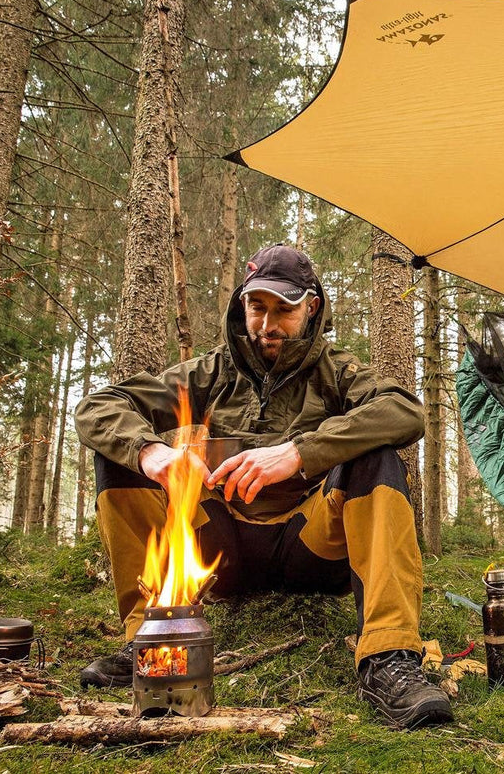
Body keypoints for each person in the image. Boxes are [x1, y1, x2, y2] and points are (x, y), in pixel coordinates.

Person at [73, 243, 452, 729]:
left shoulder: (337, 371)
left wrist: (298, 454)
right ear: (242, 304)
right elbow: (98, 408)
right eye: (257, 307)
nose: (268, 326)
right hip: (222, 547)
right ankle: (153, 636)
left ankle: (389, 656)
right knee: (122, 456)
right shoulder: (212, 371)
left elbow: (405, 411)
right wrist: (155, 454)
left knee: (377, 457)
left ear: (311, 307)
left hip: (310, 546)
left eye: (284, 310)